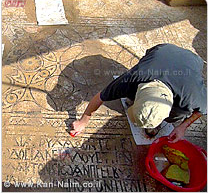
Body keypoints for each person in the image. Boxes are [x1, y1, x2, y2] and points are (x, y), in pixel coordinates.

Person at [69, 43, 207, 143]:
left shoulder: (192, 97)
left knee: (179, 114)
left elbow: (202, 110)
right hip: (162, 50)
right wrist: (82, 122)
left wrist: (183, 127)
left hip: (192, 60)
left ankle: (163, 119)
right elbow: (100, 97)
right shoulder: (133, 78)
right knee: (131, 87)